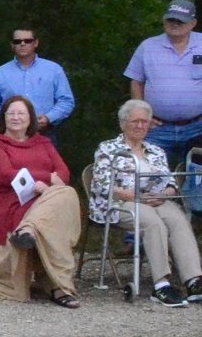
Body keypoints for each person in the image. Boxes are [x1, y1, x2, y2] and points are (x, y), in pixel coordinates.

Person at [87, 99, 202, 307]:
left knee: (177, 218)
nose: (140, 126)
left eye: (145, 122)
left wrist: (165, 194)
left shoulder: (156, 151)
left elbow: (170, 182)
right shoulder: (108, 149)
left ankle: (194, 280)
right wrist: (137, 198)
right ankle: (161, 285)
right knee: (152, 222)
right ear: (123, 123)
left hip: (153, 199)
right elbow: (104, 186)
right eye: (135, 121)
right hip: (120, 202)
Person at [0, 95, 82, 306]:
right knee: (63, 200)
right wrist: (42, 179)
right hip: (10, 200)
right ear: (3, 117)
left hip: (44, 200)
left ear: (30, 118)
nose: (16, 118)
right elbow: (4, 173)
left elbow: (63, 171)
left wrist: (45, 184)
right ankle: (57, 287)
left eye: (21, 113)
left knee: (67, 193)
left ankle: (29, 230)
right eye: (11, 113)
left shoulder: (43, 142)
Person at [123, 0, 202, 169]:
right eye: (170, 20)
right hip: (157, 128)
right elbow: (136, 82)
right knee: (149, 175)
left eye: (180, 21)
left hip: (197, 128)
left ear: (193, 23)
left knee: (195, 182)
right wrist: (143, 117)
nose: (175, 24)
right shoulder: (148, 46)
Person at [0, 27, 75, 132]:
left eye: (27, 41)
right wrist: (5, 120)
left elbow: (66, 101)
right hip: (10, 134)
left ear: (36, 43)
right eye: (17, 41)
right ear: (12, 45)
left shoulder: (53, 70)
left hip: (45, 134)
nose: (22, 44)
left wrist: (49, 117)